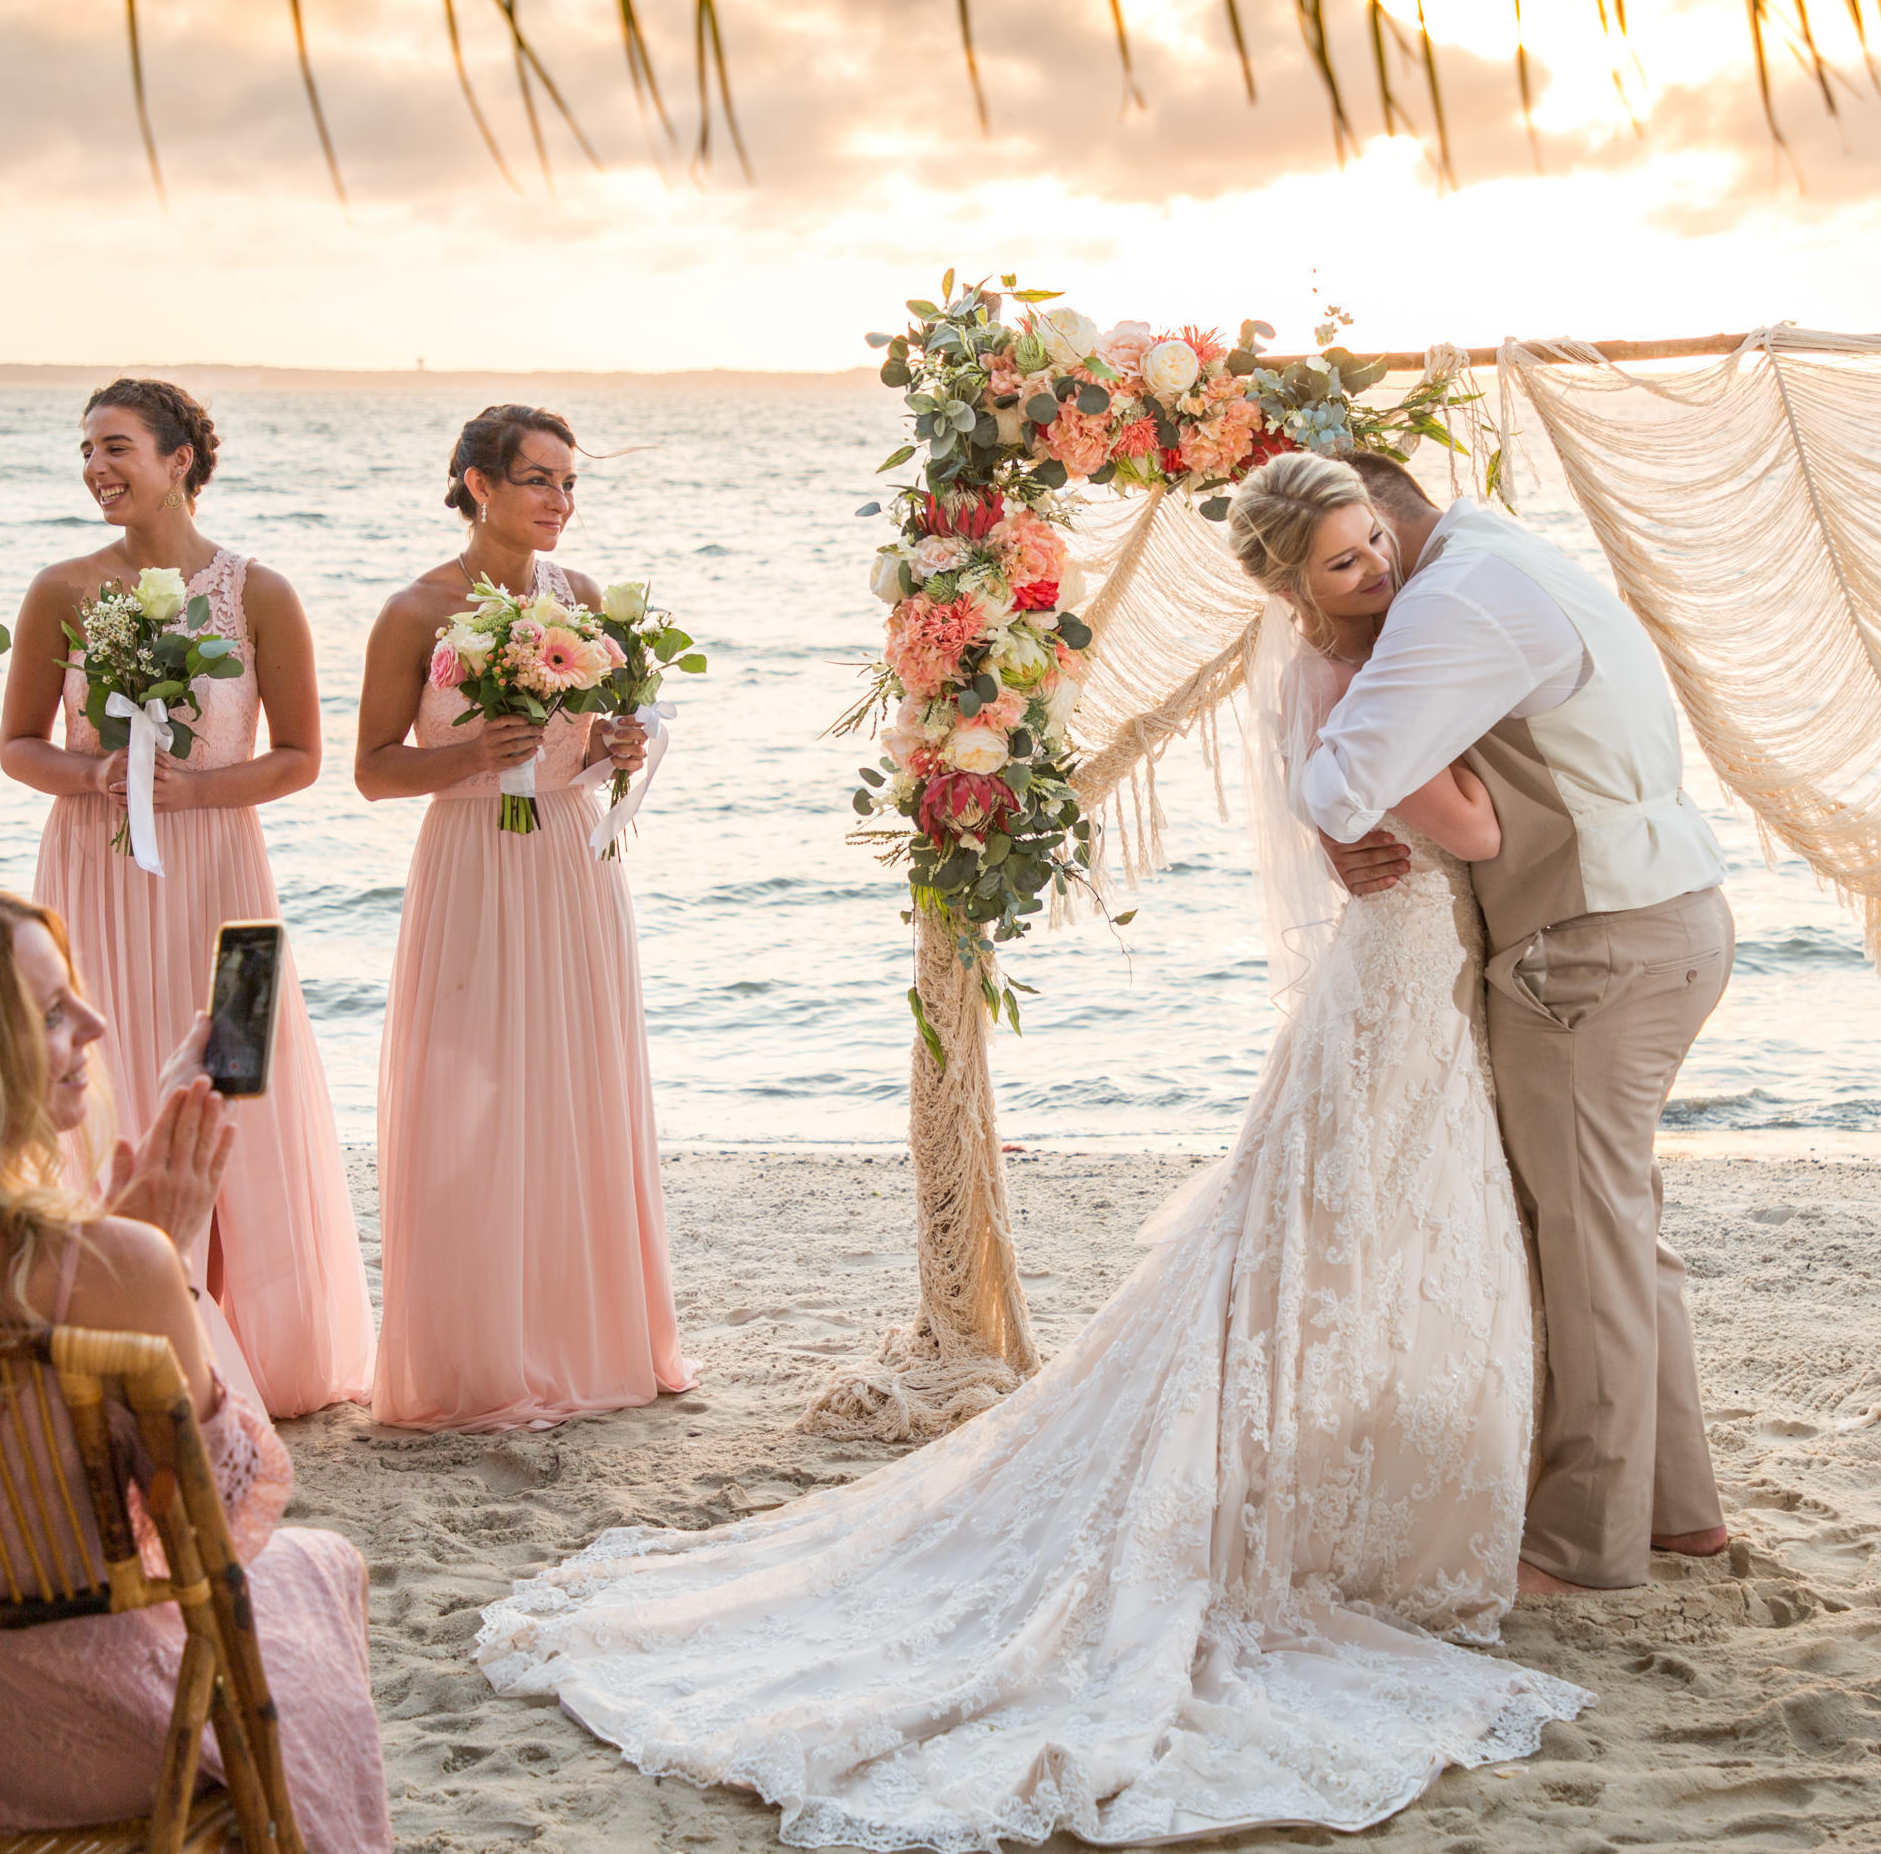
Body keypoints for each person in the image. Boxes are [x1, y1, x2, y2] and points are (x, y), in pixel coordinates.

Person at [472, 450, 1585, 1847]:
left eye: (1379, 545)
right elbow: (1471, 827)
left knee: (1348, 1219)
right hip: (1407, 973)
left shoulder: (1347, 664)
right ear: (1299, 589)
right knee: (1363, 1215)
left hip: (1394, 974)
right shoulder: (1376, 675)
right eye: (1347, 564)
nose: (1380, 574)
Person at [0, 886, 390, 1847]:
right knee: (321, 1565)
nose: (95, 1023)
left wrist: (120, 1237)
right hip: (92, 1756)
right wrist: (169, 1267)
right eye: (53, 1014)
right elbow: (214, 1528)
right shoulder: (112, 1269)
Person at [1308, 448, 1734, 1596]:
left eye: (1363, 558)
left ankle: (1582, 1542)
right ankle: (1678, 1507)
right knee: (1617, 1223)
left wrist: (1328, 817)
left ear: (1387, 528)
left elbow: (1348, 774)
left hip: (1595, 939)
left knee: (1586, 1238)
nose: (1367, 585)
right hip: (1665, 912)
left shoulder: (1452, 597)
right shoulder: (1509, 557)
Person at [0, 378, 370, 1418]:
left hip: (225, 872)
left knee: (238, 1076)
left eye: (115, 446)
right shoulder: (61, 588)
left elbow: (299, 758)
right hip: (92, 868)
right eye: (85, 450)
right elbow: (17, 744)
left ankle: (252, 1342)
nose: (95, 467)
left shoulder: (260, 592)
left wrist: (196, 788)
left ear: (180, 461)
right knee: (98, 1078)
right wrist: (95, 775)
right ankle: (109, 1324)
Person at [354, 404, 680, 1431]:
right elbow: (371, 769)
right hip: (471, 862)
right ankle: (479, 1350)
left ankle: (585, 1334)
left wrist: (619, 748)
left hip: (571, 862)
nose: (560, 502)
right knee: (473, 1101)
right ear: (476, 481)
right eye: (540, 479)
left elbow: (590, 737)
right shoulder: (416, 610)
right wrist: (470, 756)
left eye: (571, 482)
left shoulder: (581, 599)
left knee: (575, 1084)